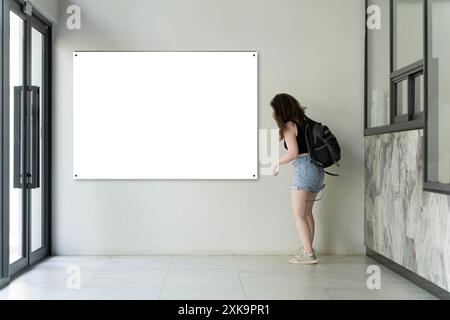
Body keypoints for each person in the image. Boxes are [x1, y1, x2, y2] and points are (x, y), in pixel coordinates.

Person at [271, 93, 325, 265]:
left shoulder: (288, 126)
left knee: (299, 214)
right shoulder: (306, 121)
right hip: (317, 168)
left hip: (304, 169)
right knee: (307, 213)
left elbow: (293, 153)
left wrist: (276, 163)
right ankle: (308, 248)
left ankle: (308, 254)